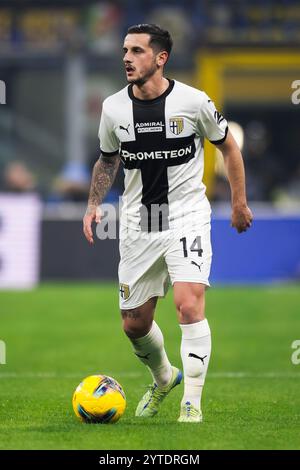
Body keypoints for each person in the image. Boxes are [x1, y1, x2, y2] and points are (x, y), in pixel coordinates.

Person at [83, 24, 253, 423]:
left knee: (188, 304)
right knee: (134, 323)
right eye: (125, 50)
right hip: (139, 221)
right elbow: (108, 159)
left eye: (137, 51)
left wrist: (239, 202)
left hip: (186, 214)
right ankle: (163, 378)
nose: (127, 57)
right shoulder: (112, 108)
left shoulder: (193, 102)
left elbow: (228, 146)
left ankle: (191, 401)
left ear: (160, 58)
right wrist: (93, 203)